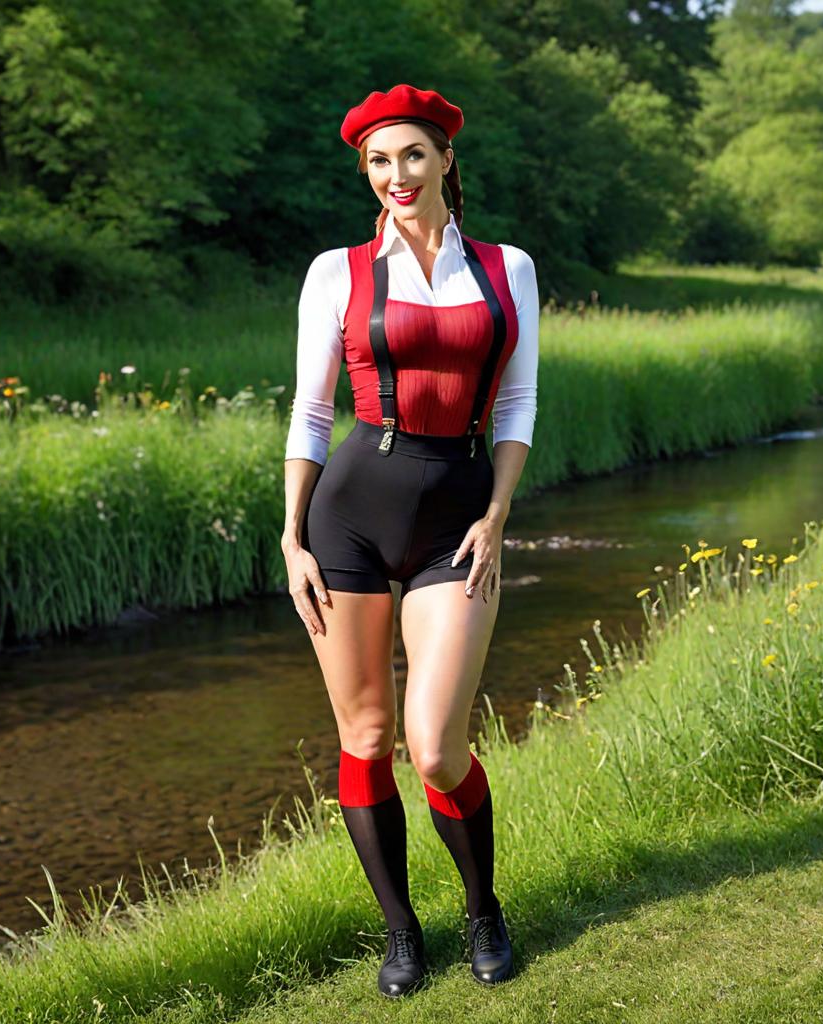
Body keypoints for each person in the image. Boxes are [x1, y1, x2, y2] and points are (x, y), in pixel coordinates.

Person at [279, 83, 539, 999]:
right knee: (367, 732)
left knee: (434, 745)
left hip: (459, 516)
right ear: (368, 172)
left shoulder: (508, 267)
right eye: (380, 161)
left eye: (414, 156)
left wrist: (497, 515)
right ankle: (401, 933)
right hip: (347, 512)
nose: (398, 175)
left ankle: (483, 909)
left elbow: (515, 403)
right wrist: (290, 535)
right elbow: (313, 414)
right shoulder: (335, 272)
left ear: (446, 161)